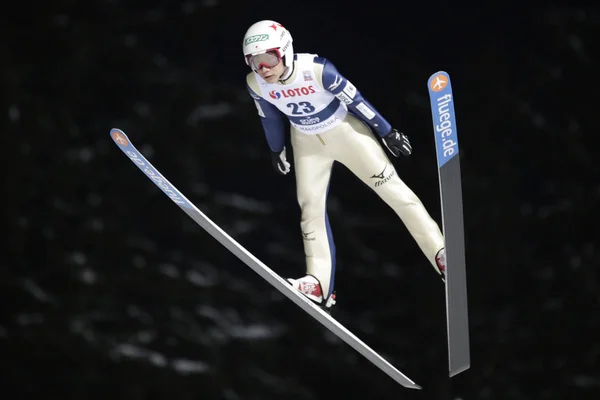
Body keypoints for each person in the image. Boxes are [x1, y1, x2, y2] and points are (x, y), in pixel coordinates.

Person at [243, 20, 446, 314]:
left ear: (285, 51)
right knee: (310, 208)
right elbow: (269, 118)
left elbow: (356, 101)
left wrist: (386, 131)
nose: (263, 69)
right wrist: (277, 149)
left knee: (393, 192)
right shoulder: (255, 83)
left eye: (269, 59)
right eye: (254, 62)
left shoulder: (317, 70)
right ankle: (319, 283)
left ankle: (440, 253)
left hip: (345, 133)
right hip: (305, 141)